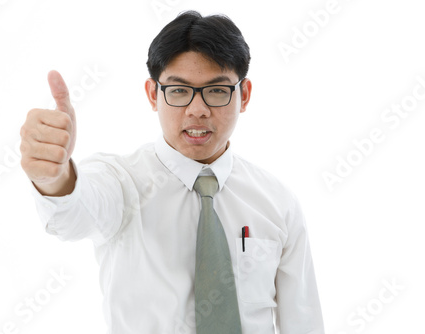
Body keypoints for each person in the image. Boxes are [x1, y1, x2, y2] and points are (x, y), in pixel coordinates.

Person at [20, 10, 324, 334]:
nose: (198, 110)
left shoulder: (278, 202)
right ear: (153, 94)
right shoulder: (121, 183)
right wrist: (54, 178)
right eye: (179, 91)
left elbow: (303, 321)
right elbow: (74, 214)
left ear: (243, 95)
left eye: (217, 90)